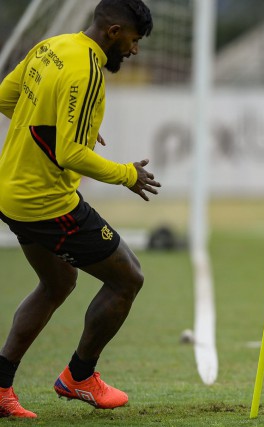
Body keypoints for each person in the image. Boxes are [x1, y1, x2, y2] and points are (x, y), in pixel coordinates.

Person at [0, 0, 158, 418]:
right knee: (128, 278)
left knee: (56, 284)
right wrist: (127, 174)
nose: (134, 50)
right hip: (46, 203)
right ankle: (80, 376)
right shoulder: (87, 70)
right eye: (134, 40)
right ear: (114, 33)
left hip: (10, 193)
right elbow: (71, 154)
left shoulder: (52, 46)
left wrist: (67, 125)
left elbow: (4, 98)